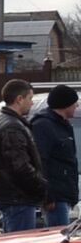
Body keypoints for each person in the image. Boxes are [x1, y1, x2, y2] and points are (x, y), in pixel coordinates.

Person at [0, 79, 46, 234]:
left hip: (12, 197)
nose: (31, 103)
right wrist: (43, 186)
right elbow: (20, 167)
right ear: (19, 99)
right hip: (19, 199)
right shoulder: (12, 127)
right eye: (30, 99)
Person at [32, 84, 79, 227]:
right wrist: (47, 195)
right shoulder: (43, 126)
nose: (76, 106)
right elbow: (40, 162)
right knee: (58, 237)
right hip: (55, 198)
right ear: (64, 105)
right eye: (74, 103)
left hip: (64, 194)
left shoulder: (64, 125)